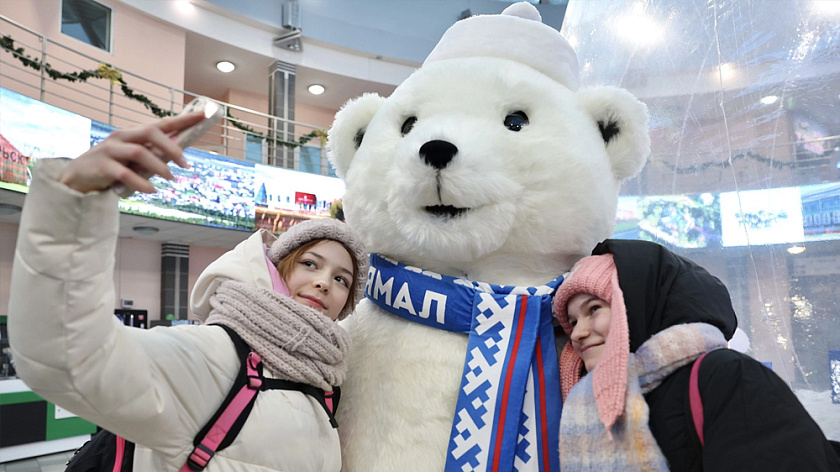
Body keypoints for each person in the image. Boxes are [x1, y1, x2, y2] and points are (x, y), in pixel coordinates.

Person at [7, 112, 368, 472]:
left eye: (342, 280)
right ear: (279, 267)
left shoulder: (326, 384)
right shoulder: (218, 355)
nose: (324, 282)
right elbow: (70, 355)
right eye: (309, 263)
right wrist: (73, 204)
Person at [552, 239, 840, 471]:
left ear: (637, 306)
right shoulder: (595, 401)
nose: (577, 333)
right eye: (573, 321)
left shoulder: (725, 377)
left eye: (594, 310)